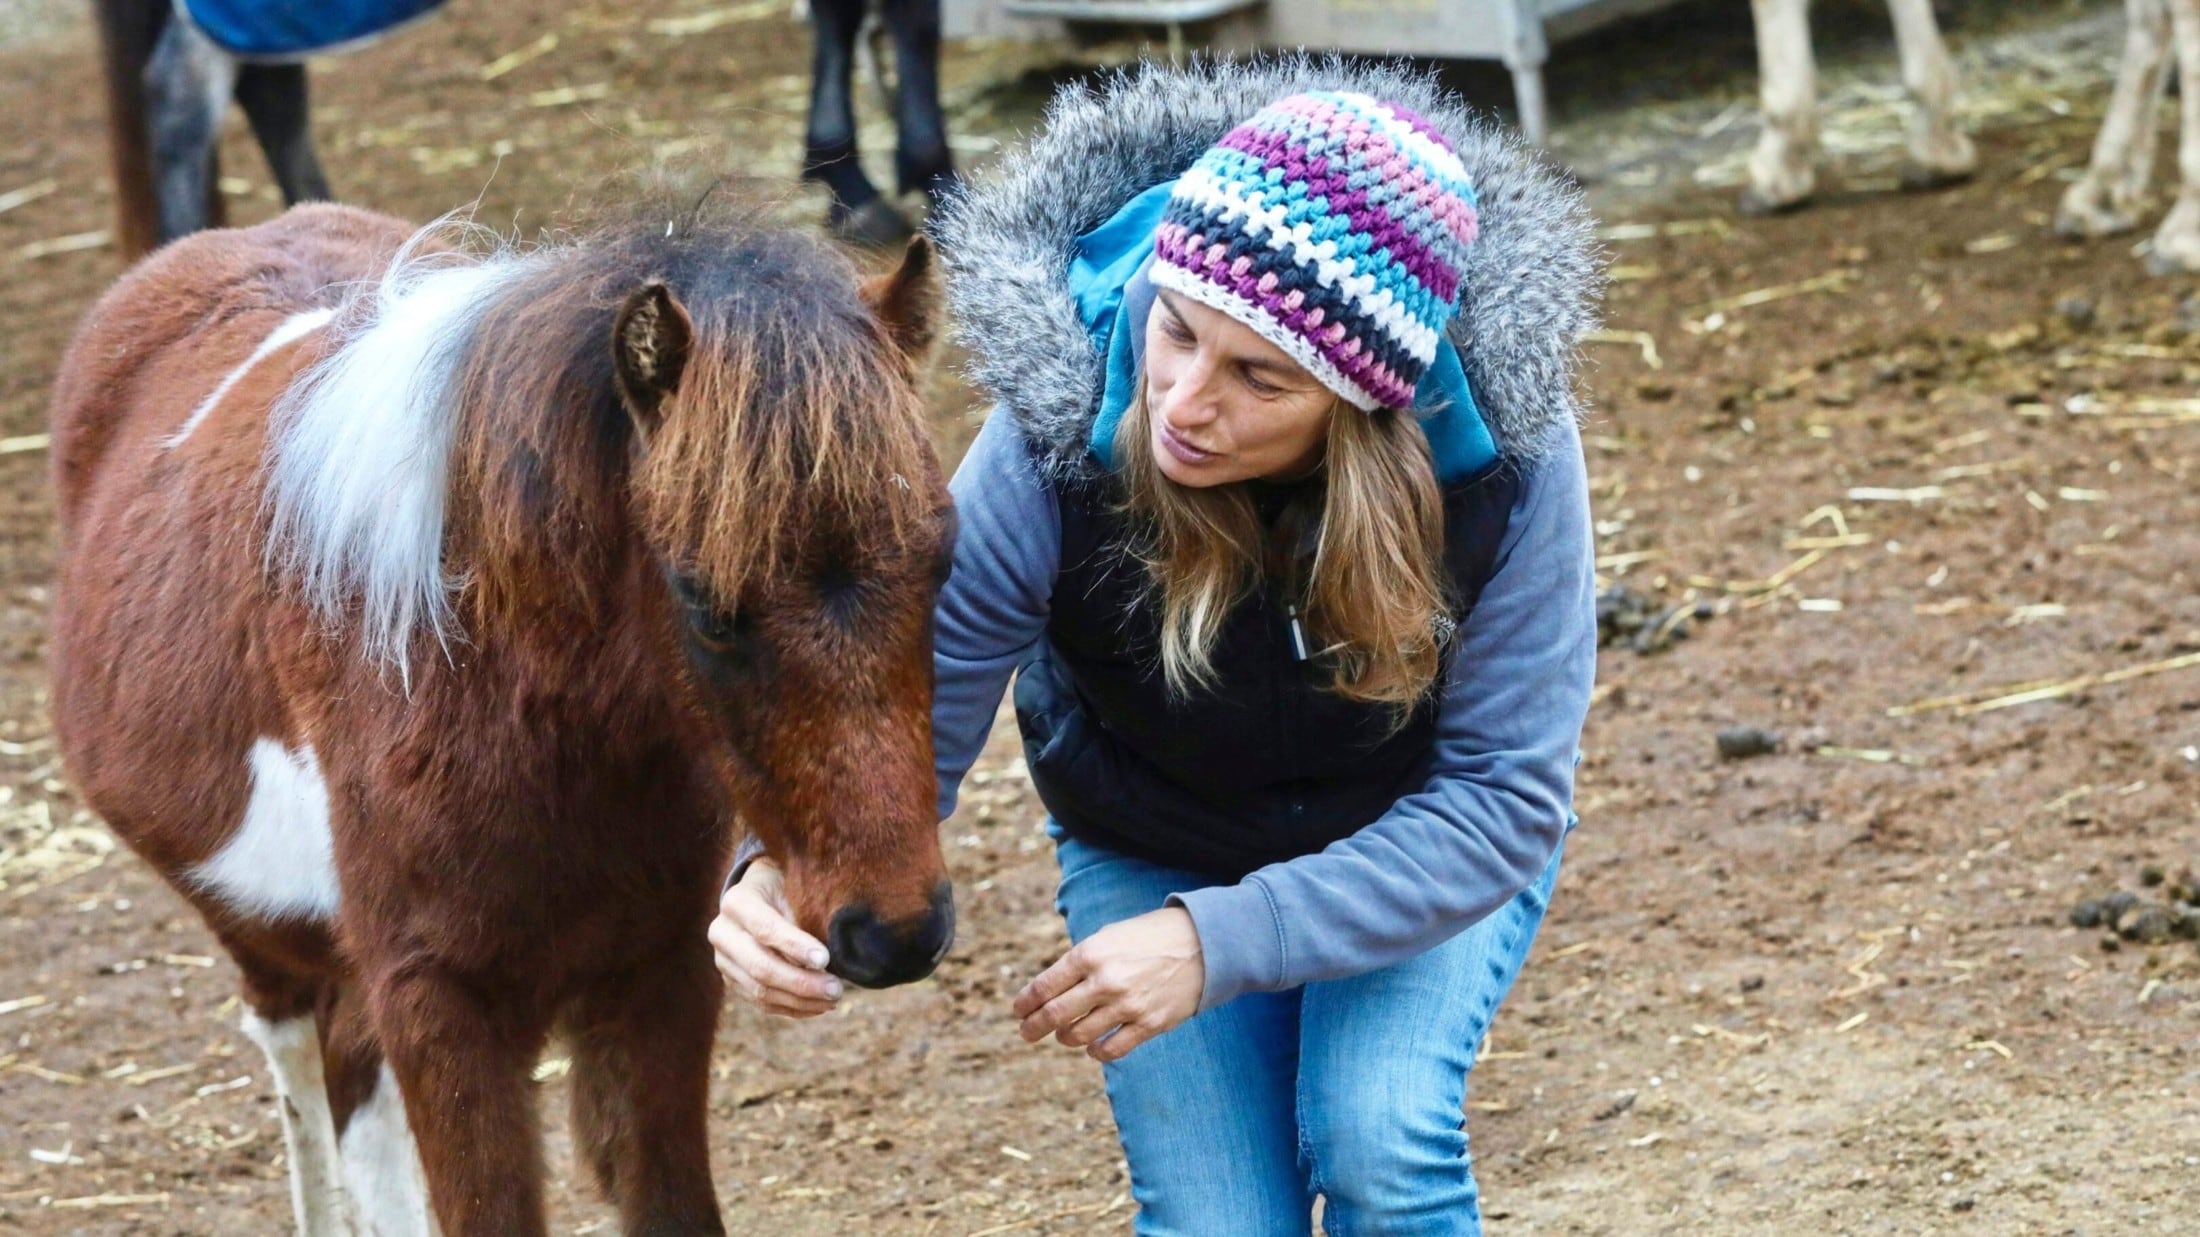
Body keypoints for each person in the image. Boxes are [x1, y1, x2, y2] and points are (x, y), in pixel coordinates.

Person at [712, 59, 1602, 1234]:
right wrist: (774, 867)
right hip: (1154, 835)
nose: (1180, 401)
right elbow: (916, 699)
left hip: (1416, 832)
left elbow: (1499, 798)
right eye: (1174, 331)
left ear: (1367, 407)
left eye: (1258, 379)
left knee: (1377, 1135)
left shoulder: (1504, 469)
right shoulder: (1060, 425)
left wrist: (1216, 939)